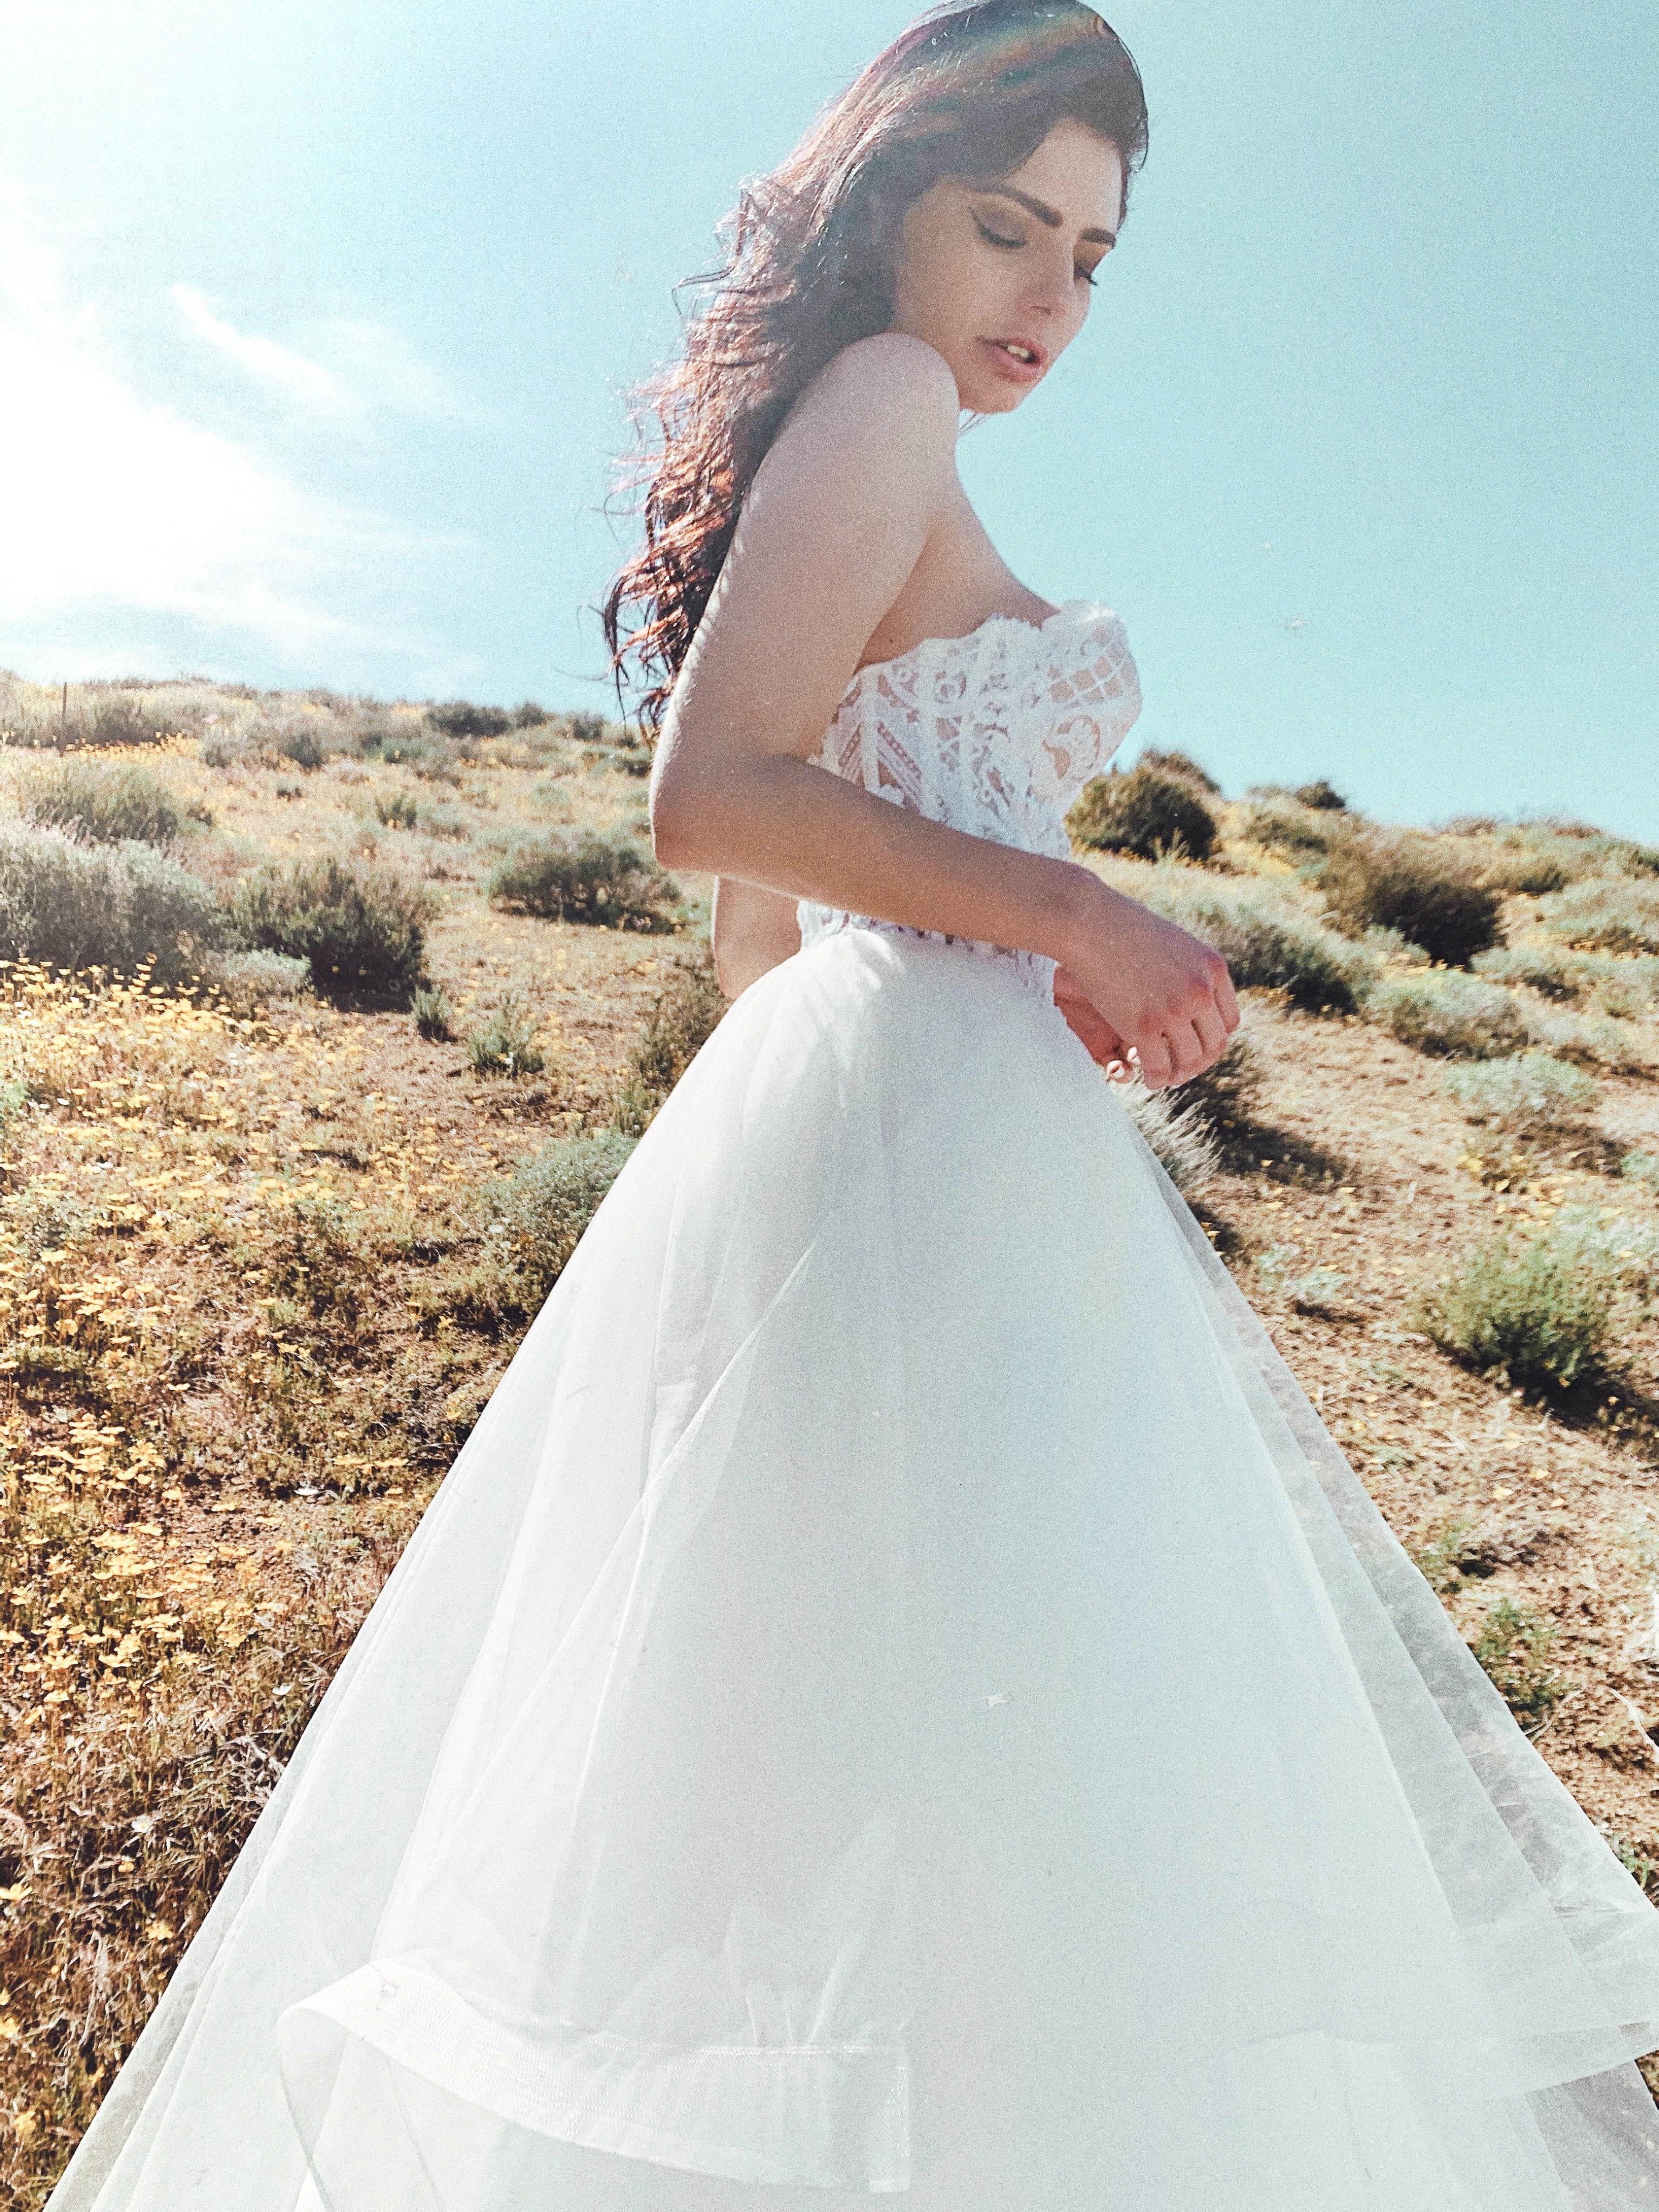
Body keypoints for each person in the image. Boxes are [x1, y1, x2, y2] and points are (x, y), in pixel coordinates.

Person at [46, 4, 1659, 2207]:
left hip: (918, 1146)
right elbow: (710, 800)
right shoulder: (885, 394)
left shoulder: (878, 425)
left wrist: (977, 1002)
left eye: (1093, 258)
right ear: (891, 184)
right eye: (1011, 229)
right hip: (915, 1155)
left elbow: (765, 938)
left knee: (913, 1802)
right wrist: (1062, 919)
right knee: (1002, 1816)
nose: (1050, 303)